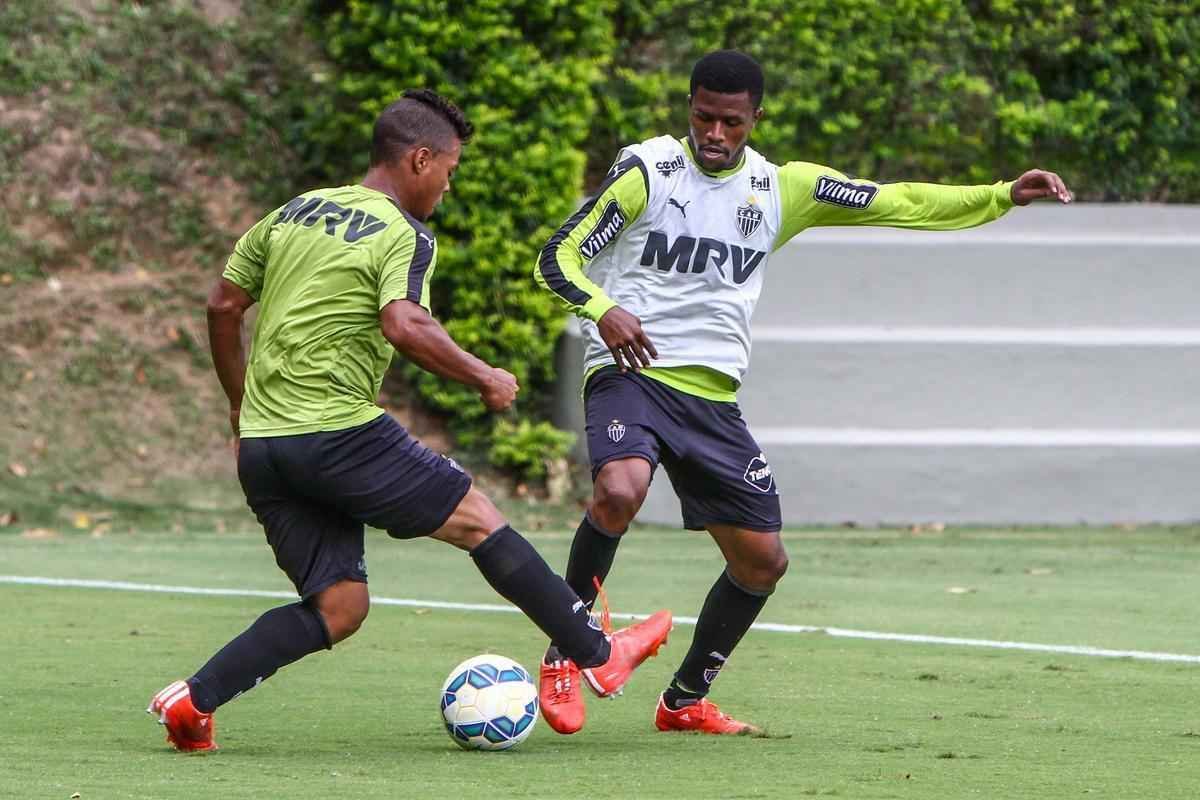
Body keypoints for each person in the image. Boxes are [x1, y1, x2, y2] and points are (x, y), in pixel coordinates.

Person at [533, 50, 1073, 735]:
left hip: (711, 400)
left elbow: (897, 200)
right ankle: (564, 649)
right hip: (631, 371)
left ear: (756, 118)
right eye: (703, 117)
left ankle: (684, 700)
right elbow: (558, 256)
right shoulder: (648, 171)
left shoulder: (781, 189)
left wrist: (999, 196)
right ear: (688, 109)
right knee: (619, 490)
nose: (715, 134)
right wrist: (603, 309)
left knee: (763, 562)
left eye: (731, 121)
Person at [147, 89, 671, 752]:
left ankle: (193, 703)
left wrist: (238, 402)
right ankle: (597, 653)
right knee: (477, 517)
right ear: (420, 159)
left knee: (340, 607)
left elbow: (223, 306)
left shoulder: (290, 212)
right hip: (338, 430)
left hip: (265, 447)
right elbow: (404, 322)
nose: (447, 190)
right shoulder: (405, 232)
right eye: (449, 173)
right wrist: (484, 375)